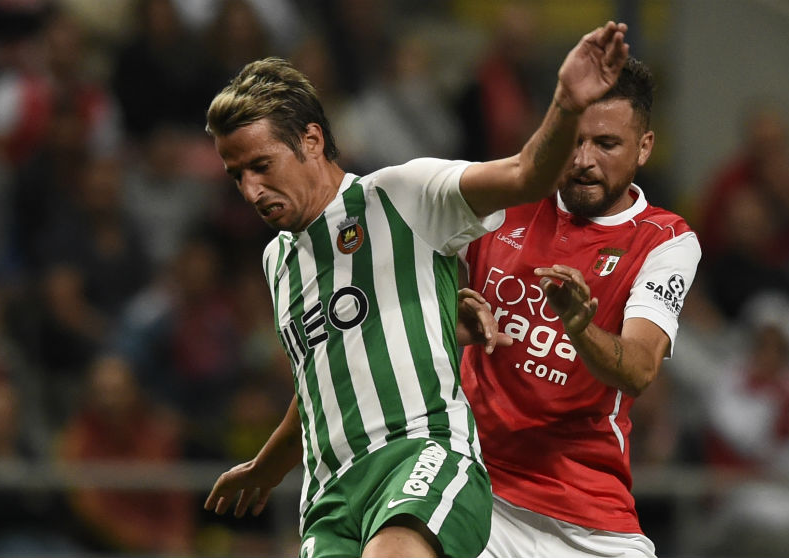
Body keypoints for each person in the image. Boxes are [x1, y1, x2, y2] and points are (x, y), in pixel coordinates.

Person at [202, 21, 631, 558]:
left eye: (262, 166)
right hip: (330, 498)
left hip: (419, 456)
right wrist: (266, 466)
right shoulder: (277, 260)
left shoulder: (400, 195)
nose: (250, 190)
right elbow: (321, 384)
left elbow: (527, 175)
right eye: (236, 175)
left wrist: (567, 104)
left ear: (311, 139)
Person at [457, 57, 701, 558]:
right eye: (574, 140)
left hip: (587, 512)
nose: (584, 160)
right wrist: (447, 312)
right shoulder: (500, 198)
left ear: (644, 147)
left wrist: (579, 327)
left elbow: (638, 369)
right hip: (473, 485)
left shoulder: (665, 240)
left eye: (606, 144)